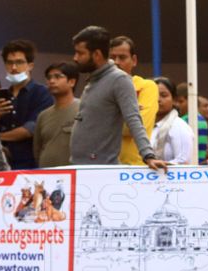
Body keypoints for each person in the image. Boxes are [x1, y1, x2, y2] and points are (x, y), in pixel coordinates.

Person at [69, 26, 165, 169]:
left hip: (102, 170)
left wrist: (148, 156)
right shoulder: (94, 80)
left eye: (80, 53)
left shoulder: (119, 79)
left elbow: (133, 120)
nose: (75, 58)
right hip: (81, 167)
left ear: (97, 54)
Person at [0, 39, 53, 170]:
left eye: (19, 62)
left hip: (31, 165)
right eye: (9, 63)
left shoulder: (42, 93)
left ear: (30, 65)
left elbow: (30, 130)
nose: (14, 68)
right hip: (1, 165)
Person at [109, 36, 158, 167]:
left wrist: (108, 116)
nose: (116, 62)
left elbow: (134, 128)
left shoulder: (146, 87)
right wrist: (126, 114)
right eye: (112, 58)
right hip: (106, 166)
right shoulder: (99, 89)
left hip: (136, 167)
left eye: (122, 57)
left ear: (134, 60)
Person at [33, 62, 80, 167]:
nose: (52, 81)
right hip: (47, 173)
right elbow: (37, 149)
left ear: (72, 82)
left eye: (57, 77)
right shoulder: (43, 115)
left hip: (73, 173)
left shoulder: (83, 110)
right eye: (49, 77)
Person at [152, 77, 194, 165]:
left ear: (174, 100)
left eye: (163, 95)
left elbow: (183, 161)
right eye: (153, 95)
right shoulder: (144, 125)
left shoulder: (179, 126)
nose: (158, 99)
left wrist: (156, 165)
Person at [174, 81, 208, 164]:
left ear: (191, 100)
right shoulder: (202, 119)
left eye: (181, 101)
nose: (177, 105)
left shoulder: (184, 121)